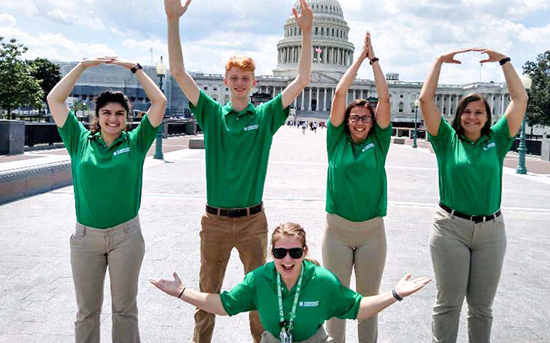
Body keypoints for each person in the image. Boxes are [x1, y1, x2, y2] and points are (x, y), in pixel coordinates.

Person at [164, 0, 313, 342]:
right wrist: (173, 21)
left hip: (251, 222)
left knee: (261, 293)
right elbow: (178, 73)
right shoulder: (213, 114)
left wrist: (305, 32)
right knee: (206, 293)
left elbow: (302, 78)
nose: (240, 83)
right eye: (234, 78)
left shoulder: (264, 117)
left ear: (254, 81)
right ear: (226, 81)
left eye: (246, 78)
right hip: (214, 221)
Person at [47, 57, 167, 343]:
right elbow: (55, 99)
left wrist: (134, 69)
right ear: (97, 115)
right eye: (106, 112)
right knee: (86, 311)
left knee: (124, 309)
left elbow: (159, 102)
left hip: (126, 236)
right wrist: (84, 66)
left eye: (119, 113)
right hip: (85, 238)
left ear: (128, 117)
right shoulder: (78, 140)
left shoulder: (136, 142)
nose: (113, 119)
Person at [151, 223, 431, 343]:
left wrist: (395, 294)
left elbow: (358, 308)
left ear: (305, 253)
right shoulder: (259, 279)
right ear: (271, 253)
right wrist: (182, 292)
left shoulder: (322, 281)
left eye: (295, 253)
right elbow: (222, 305)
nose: (287, 259)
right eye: (280, 253)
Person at [418, 48, 528, 343]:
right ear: (458, 115)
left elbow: (520, 99)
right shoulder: (445, 139)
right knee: (448, 304)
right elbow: (425, 100)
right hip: (450, 227)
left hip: (491, 231)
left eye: (479, 112)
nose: (472, 117)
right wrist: (438, 62)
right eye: (467, 111)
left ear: (488, 117)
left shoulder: (498, 139)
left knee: (482, 308)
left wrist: (505, 61)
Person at [322, 32, 391, 343]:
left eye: (366, 117)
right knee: (336, 301)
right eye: (355, 117)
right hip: (336, 230)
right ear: (346, 120)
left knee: (368, 302)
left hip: (371, 232)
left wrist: (374, 60)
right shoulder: (335, 141)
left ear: (372, 121)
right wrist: (357, 61)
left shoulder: (380, 142)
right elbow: (338, 95)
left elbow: (386, 99)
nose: (360, 122)